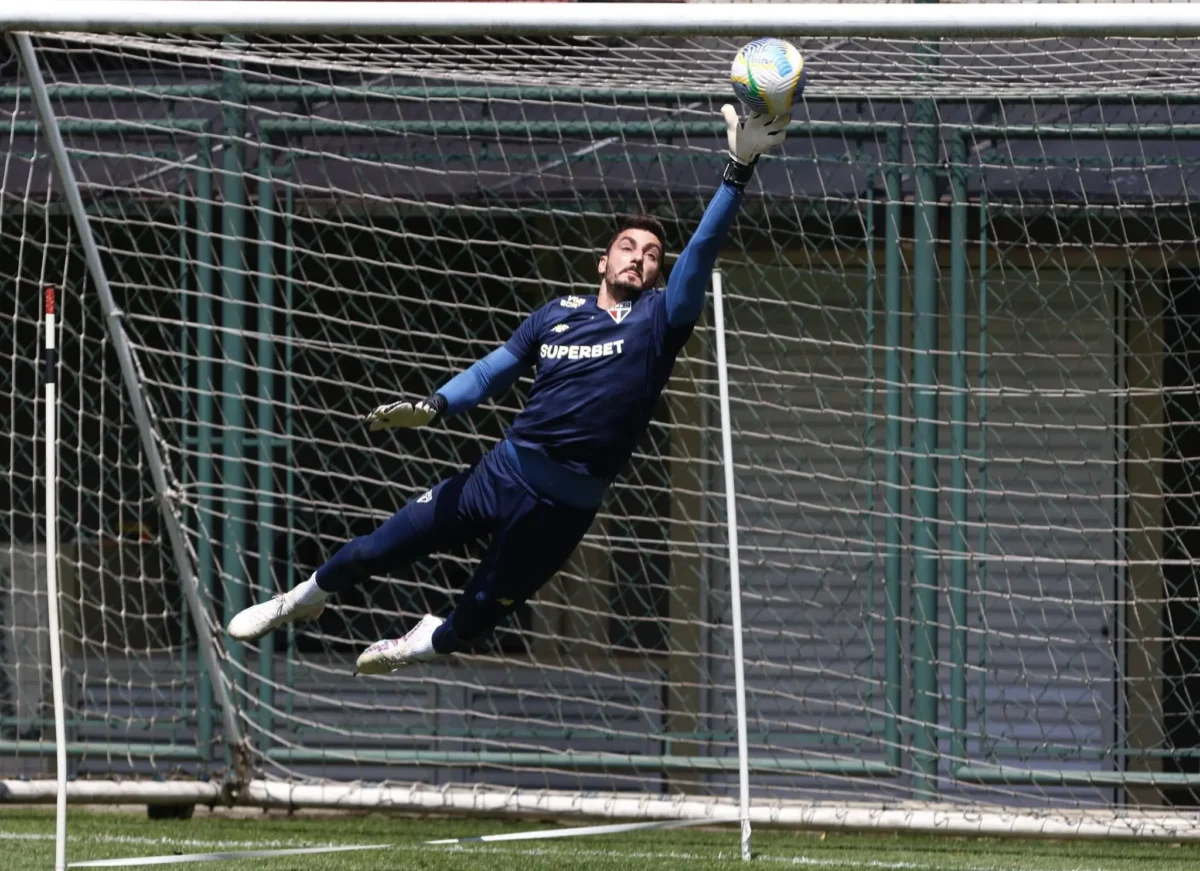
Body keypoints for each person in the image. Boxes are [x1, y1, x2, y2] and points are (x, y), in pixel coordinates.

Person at [227, 105, 791, 674]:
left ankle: (420, 642)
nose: (639, 257)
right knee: (380, 546)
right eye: (627, 246)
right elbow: (493, 370)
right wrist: (437, 404)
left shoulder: (659, 321)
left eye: (650, 254)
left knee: (469, 625)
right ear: (603, 261)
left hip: (562, 510)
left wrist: (737, 170)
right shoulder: (556, 314)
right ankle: (301, 600)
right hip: (500, 474)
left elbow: (697, 257)